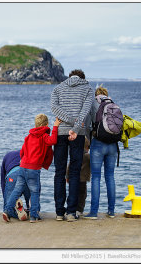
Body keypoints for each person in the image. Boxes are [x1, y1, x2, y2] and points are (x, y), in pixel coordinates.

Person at [50, 69, 94, 222]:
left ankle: (59, 213)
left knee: (59, 172)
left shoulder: (58, 88)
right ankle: (71, 212)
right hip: (78, 134)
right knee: (75, 172)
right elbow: (85, 111)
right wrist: (75, 127)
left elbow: (54, 108)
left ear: (70, 77)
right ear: (82, 78)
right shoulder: (87, 88)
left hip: (60, 133)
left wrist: (68, 121)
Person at [3, 114, 61, 223]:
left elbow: (22, 152)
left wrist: (24, 161)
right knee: (34, 191)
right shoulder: (43, 136)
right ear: (46, 124)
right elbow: (53, 140)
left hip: (22, 166)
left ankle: (7, 210)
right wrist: (56, 126)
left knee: (17, 190)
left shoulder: (29, 136)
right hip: (33, 168)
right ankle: (34, 216)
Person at [84, 85, 118, 219]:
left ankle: (93, 212)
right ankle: (111, 211)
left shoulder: (93, 104)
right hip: (113, 145)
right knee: (110, 177)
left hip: (98, 144)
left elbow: (87, 125)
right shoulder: (113, 104)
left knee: (96, 177)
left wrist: (88, 142)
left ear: (96, 95)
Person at [0, 150, 31, 221]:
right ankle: (29, 211)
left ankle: (14, 213)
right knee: (29, 195)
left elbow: (3, 181)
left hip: (12, 175)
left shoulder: (6, 156)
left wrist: (5, 196)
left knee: (7, 206)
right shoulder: (26, 153)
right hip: (26, 172)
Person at [66, 137, 91, 217]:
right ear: (87, 147)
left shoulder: (75, 155)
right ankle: (79, 210)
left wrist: (67, 176)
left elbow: (69, 166)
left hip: (73, 178)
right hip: (83, 180)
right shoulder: (88, 156)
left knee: (73, 193)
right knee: (82, 195)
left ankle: (70, 209)